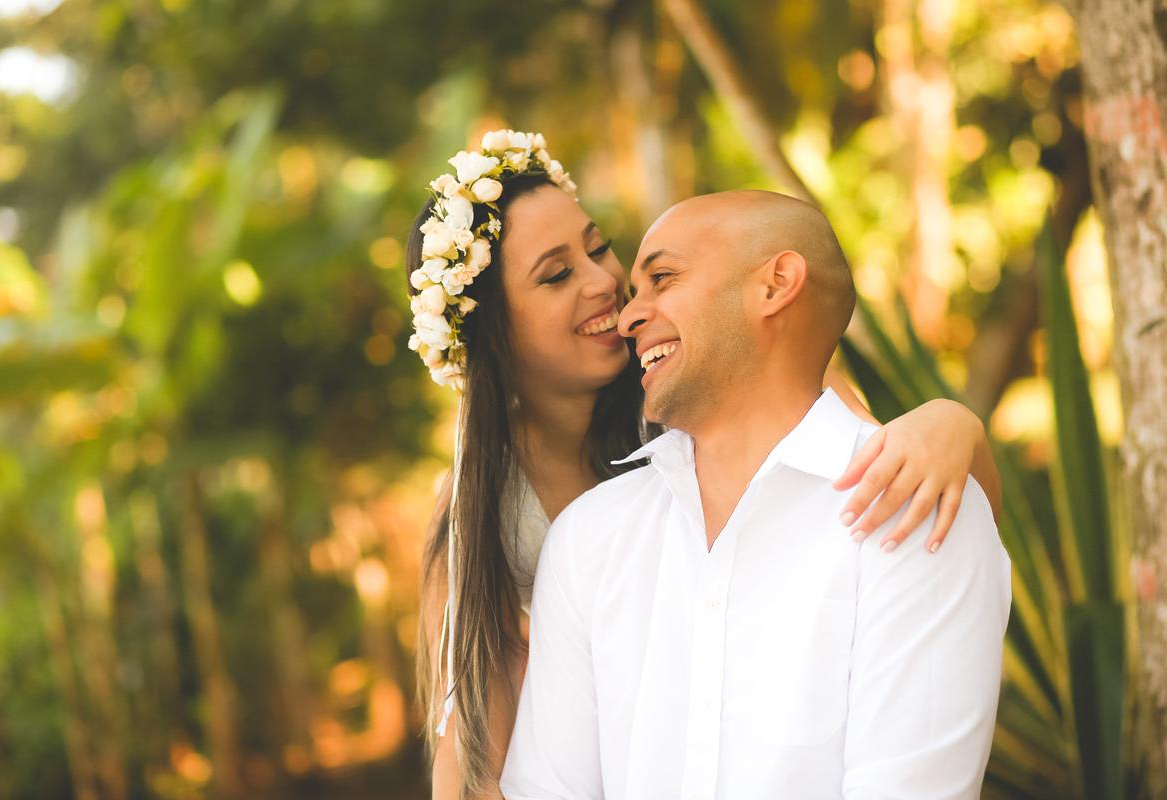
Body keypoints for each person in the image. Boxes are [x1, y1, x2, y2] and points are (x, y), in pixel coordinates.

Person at [404, 131, 1003, 799]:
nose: (605, 285)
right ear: (494, 334)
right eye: (556, 275)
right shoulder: (486, 511)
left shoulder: (709, 380)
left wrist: (955, 422)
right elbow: (470, 749)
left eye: (598, 249)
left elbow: (890, 488)